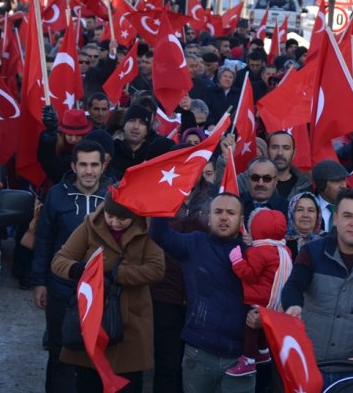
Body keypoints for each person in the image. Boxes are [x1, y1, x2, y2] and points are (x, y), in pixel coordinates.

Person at [281, 188, 353, 387]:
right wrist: (292, 305)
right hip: (309, 364)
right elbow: (293, 286)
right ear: (335, 218)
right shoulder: (312, 251)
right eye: (347, 216)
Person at [51, 193, 165, 392]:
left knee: (128, 384)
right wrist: (80, 270)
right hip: (91, 321)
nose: (115, 222)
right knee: (88, 383)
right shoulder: (90, 225)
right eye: (110, 216)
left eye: (122, 218)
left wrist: (119, 274)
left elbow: (157, 269)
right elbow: (59, 261)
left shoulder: (147, 229)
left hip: (131, 323)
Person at [149, 193, 255, 393]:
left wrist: (259, 318)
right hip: (199, 354)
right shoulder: (194, 244)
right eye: (218, 212)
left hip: (239, 358)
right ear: (208, 217)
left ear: (241, 221)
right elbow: (160, 234)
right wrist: (163, 196)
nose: (224, 217)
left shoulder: (252, 254)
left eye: (230, 213)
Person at [30, 140, 111, 393]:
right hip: (62, 289)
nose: (89, 171)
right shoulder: (56, 194)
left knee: (96, 353)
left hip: (102, 292)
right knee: (59, 351)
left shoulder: (115, 195)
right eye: (83, 165)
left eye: (94, 165)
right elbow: (43, 241)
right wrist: (39, 282)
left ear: (103, 166)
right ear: (73, 166)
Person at [226, 209, 293, 377]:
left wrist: (237, 260)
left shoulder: (258, 251)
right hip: (275, 297)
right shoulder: (284, 250)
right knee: (262, 326)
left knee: (251, 325)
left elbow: (248, 274)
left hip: (260, 297)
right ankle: (263, 351)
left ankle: (248, 360)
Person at [38, 107, 92, 184]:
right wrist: (49, 133)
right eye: (70, 134)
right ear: (63, 134)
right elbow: (47, 160)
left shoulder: (92, 152)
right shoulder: (57, 150)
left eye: (78, 135)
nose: (73, 139)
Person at [312, 160, 350, 232]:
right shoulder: (307, 209)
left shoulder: (352, 208)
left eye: (343, 180)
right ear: (321, 184)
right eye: (336, 181)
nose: (343, 186)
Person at [284, 192, 324, 256]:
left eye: (311, 210)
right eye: (300, 210)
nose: (305, 215)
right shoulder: (282, 243)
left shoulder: (327, 241)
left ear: (318, 215)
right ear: (291, 213)